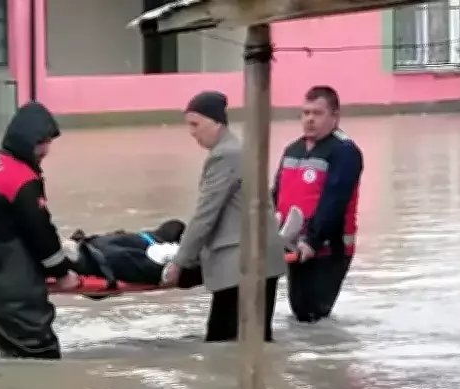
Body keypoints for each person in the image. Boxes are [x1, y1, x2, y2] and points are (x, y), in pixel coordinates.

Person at [0, 101, 80, 360]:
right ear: (26, 139)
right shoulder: (21, 179)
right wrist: (63, 273)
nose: (46, 149)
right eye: (42, 142)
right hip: (13, 288)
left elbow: (2, 223)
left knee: (9, 355)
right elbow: (40, 230)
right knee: (41, 360)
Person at [162, 91, 287, 342]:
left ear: (217, 122)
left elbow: (205, 215)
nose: (192, 132)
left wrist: (179, 261)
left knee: (222, 345)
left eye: (195, 124)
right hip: (260, 260)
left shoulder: (225, 155)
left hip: (240, 265)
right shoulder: (238, 150)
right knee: (255, 341)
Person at [272, 85, 364, 323]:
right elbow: (276, 194)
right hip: (292, 244)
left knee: (313, 315)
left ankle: (327, 357)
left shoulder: (345, 152)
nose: (309, 119)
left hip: (327, 249)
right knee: (300, 313)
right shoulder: (292, 149)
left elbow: (334, 202)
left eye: (317, 113)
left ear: (335, 116)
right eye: (305, 113)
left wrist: (312, 241)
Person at [63, 219, 191, 286]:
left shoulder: (94, 246)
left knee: (175, 226)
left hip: (148, 242)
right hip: (148, 245)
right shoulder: (108, 257)